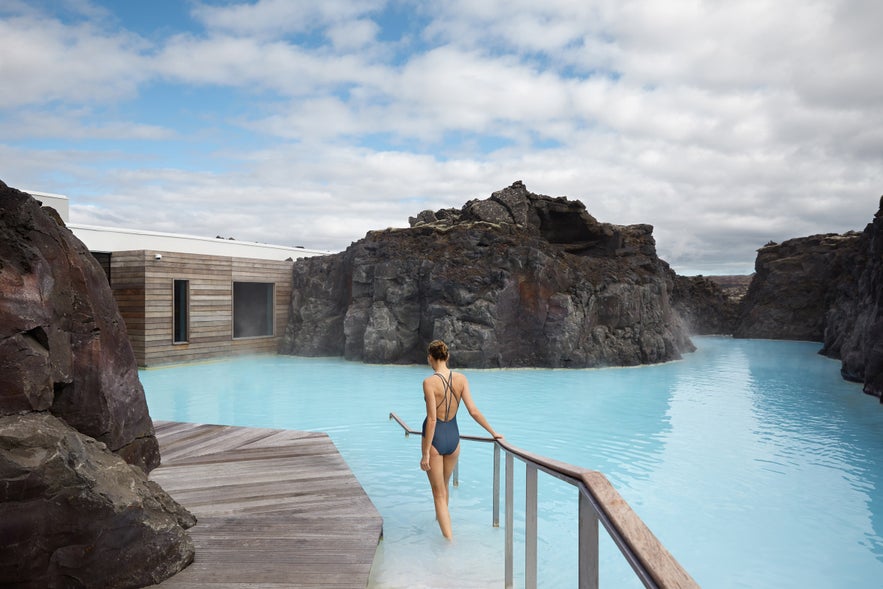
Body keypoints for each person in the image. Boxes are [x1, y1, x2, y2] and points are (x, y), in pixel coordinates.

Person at [420, 339, 502, 540]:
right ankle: (442, 524)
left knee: (438, 493)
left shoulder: (429, 382)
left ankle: (449, 543)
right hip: (454, 438)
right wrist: (493, 432)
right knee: (444, 486)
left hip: (435, 440)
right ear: (447, 356)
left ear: (430, 358)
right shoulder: (461, 379)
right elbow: (473, 411)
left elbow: (432, 420)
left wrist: (425, 453)